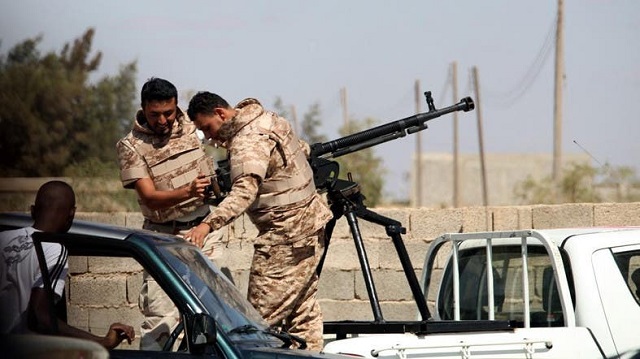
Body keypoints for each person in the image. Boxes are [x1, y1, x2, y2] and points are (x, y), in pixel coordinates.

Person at [184, 92, 332, 351]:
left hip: (285, 237)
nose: (209, 137)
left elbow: (244, 192)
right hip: (309, 227)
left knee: (256, 325)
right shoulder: (269, 120)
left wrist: (207, 225)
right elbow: (302, 149)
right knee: (302, 315)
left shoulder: (247, 140)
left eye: (207, 128)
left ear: (220, 113)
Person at [116, 77, 223, 350]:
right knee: (160, 317)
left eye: (169, 113)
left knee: (215, 313)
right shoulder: (130, 146)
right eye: (155, 115)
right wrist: (188, 191)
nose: (163, 121)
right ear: (143, 109)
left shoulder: (191, 126)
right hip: (162, 237)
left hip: (204, 233)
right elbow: (150, 198)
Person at [0, 180, 135, 349]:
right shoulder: (53, 249)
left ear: (33, 211)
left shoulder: (4, 238)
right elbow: (40, 318)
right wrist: (102, 342)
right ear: (72, 214)